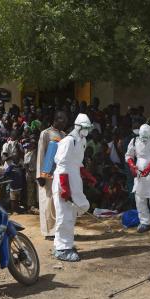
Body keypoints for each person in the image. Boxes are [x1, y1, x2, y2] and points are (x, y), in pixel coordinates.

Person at [52, 113, 93, 262]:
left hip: (75, 178)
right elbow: (62, 164)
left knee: (81, 207)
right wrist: (64, 188)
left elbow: (77, 163)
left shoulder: (82, 140)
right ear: (78, 127)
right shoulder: (68, 141)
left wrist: (88, 176)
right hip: (64, 179)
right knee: (65, 215)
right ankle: (62, 248)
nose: (87, 130)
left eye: (89, 128)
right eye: (85, 127)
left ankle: (61, 243)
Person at [125, 124, 150, 234]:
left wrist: (148, 168)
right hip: (138, 173)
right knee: (140, 198)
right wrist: (132, 166)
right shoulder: (134, 141)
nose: (143, 140)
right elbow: (128, 156)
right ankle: (145, 222)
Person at [36, 111, 67, 239]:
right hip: (47, 173)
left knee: (57, 202)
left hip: (59, 173)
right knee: (48, 202)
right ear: (56, 119)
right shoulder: (46, 134)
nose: (65, 122)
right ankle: (48, 231)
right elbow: (41, 154)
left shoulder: (64, 135)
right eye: (63, 120)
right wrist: (41, 175)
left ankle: (57, 229)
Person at [24, 138, 38, 210]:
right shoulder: (28, 154)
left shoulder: (37, 152)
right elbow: (26, 165)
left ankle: (37, 203)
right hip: (30, 172)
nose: (34, 145)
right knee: (30, 189)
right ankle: (30, 205)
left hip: (37, 172)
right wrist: (29, 174)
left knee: (37, 189)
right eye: (32, 144)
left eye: (35, 143)